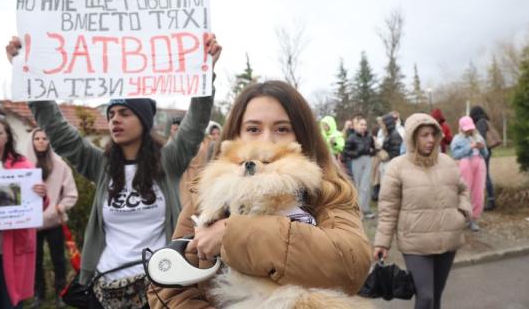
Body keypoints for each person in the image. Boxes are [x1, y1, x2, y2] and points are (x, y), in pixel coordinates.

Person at [6, 35, 221, 308]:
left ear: (144, 121)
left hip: (159, 285)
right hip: (105, 287)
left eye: (124, 113)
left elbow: (195, 122)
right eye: (111, 114)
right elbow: (58, 131)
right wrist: (28, 74)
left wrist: (205, 70)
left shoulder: (169, 162)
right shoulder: (101, 165)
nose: (114, 119)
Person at [147, 80, 372, 308]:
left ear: (302, 136)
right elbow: (169, 290)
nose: (266, 140)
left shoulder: (331, 192)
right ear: (236, 135)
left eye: (282, 129)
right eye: (253, 129)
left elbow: (350, 266)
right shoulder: (207, 195)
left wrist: (232, 235)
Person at [373, 113, 471, 309]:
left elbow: (463, 190)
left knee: (436, 297)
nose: (430, 140)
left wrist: (462, 214)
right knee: (425, 297)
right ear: (412, 137)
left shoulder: (447, 162)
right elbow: (388, 208)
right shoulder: (397, 167)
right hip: (416, 243)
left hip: (447, 239)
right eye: (424, 135)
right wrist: (382, 242)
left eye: (433, 134)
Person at [0, 115, 47, 309]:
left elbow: (37, 207)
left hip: (13, 248)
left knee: (9, 303)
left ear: (7, 137)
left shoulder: (23, 166)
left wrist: (41, 195)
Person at [26, 129, 78, 308]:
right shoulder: (25, 166)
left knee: (58, 259)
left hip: (54, 221)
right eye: (37, 138)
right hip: (31, 223)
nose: (40, 141)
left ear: (49, 141)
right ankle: (39, 294)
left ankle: (60, 294)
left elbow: (71, 194)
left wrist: (60, 207)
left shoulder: (60, 165)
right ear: (32, 141)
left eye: (44, 138)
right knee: (35, 260)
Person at [451, 116, 488, 232]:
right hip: (465, 164)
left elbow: (485, 154)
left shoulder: (478, 137)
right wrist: (469, 147)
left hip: (479, 164)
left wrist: (482, 148)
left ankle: (473, 219)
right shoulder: (457, 139)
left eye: (470, 128)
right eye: (466, 128)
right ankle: (462, 217)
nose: (469, 130)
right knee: (465, 191)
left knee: (479, 192)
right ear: (461, 128)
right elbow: (456, 154)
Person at [344, 117, 375, 218]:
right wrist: (357, 152)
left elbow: (374, 149)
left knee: (365, 186)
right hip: (356, 161)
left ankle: (365, 209)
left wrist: (372, 151)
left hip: (367, 160)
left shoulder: (369, 137)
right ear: (357, 126)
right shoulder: (351, 137)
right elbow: (346, 152)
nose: (363, 127)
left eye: (365, 125)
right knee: (357, 185)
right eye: (361, 124)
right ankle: (358, 210)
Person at [469, 106, 495, 211]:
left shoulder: (481, 122)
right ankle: (489, 200)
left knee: (485, 176)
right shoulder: (484, 121)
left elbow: (480, 138)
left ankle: (491, 201)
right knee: (485, 176)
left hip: (484, 152)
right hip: (486, 151)